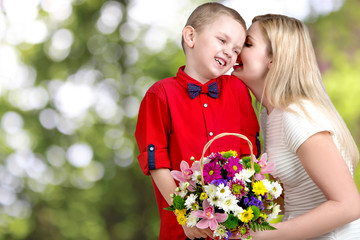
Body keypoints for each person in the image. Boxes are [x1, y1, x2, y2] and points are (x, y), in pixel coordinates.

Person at [135, 2, 260, 240]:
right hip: (183, 230)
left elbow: (250, 154)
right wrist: (185, 214)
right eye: (222, 41)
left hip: (234, 230)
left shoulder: (238, 90)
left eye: (236, 50)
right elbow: (156, 162)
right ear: (191, 36)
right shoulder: (160, 94)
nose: (229, 53)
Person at [231, 13, 360, 239]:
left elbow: (349, 205)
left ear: (274, 60)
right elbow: (293, 197)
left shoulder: (296, 116)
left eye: (247, 43)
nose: (235, 48)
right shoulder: (269, 115)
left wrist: (260, 235)